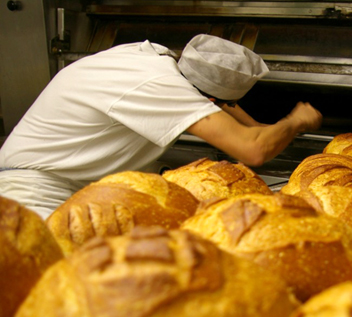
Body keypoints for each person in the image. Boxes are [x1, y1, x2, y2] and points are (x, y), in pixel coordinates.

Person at [0, 34, 322, 219]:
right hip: (32, 192)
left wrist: (270, 127)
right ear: (207, 98)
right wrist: (295, 121)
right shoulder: (160, 86)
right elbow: (253, 148)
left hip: (75, 187)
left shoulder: (157, 61)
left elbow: (231, 110)